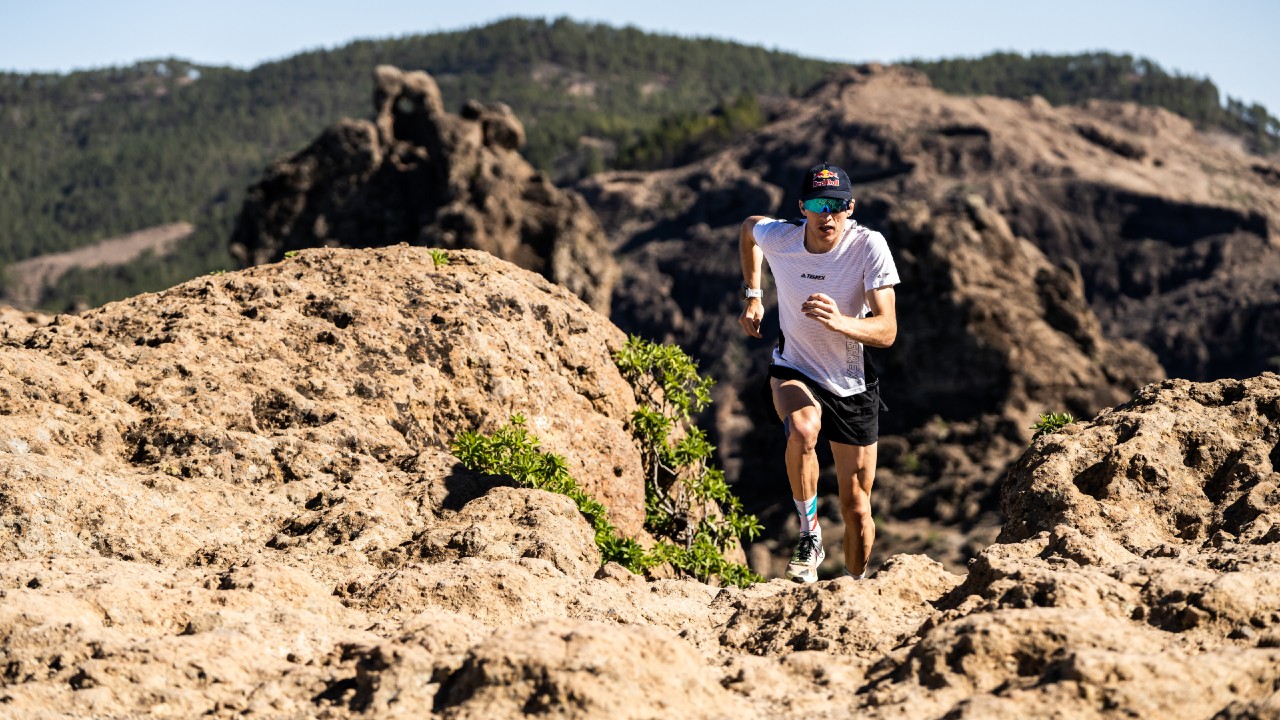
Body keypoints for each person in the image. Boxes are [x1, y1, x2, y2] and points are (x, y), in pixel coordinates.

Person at [738, 162, 899, 583]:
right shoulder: (783, 238)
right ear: (801, 207)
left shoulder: (868, 246)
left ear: (850, 207)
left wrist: (841, 322)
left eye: (835, 205)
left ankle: (852, 586)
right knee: (803, 430)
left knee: (858, 509)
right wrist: (754, 295)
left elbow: (887, 330)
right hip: (795, 367)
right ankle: (809, 536)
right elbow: (749, 229)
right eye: (816, 204)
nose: (826, 215)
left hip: (851, 381)